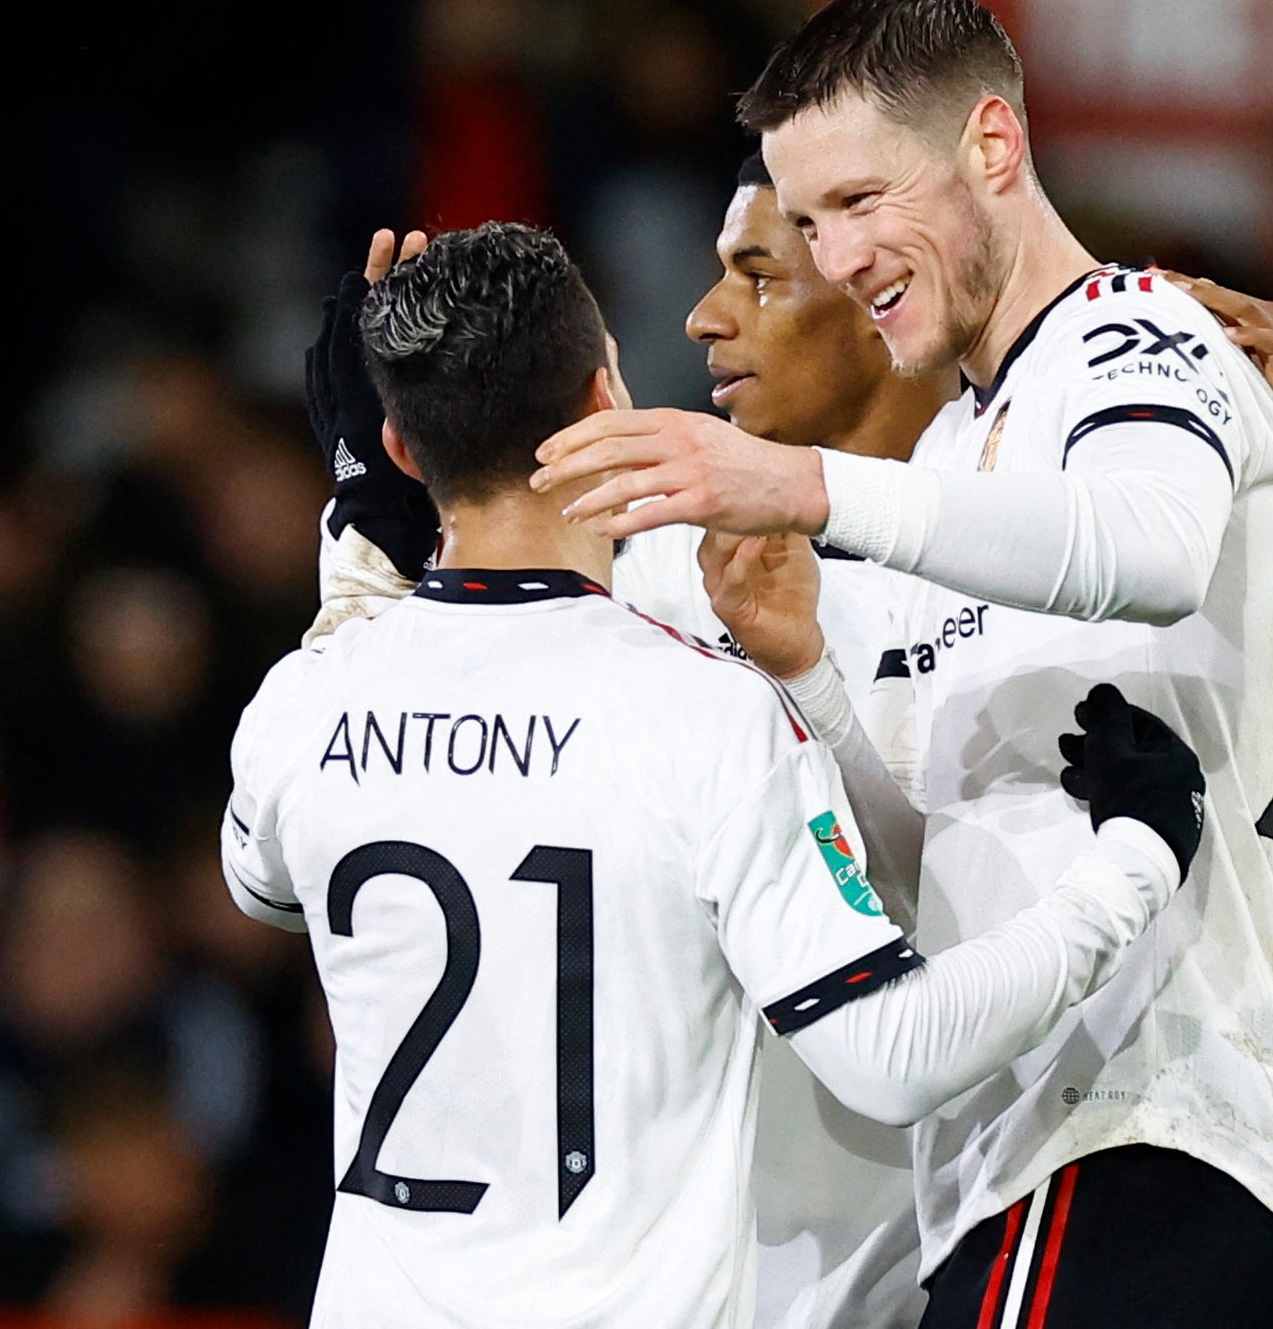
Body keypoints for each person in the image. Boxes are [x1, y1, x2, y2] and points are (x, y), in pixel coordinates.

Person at [309, 166, 1273, 1325]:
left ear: (882, 307)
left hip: (993, 1216)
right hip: (726, 1270)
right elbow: (369, 756)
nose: (705, 317)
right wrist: (379, 489)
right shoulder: (658, 569)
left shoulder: (1078, 565)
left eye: (760, 276)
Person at [226, 221, 1210, 1328]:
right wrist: (1130, 862)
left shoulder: (301, 708)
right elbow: (892, 1056)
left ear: (404, 449)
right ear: (608, 402)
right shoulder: (705, 717)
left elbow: (261, 881)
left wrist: (360, 517)